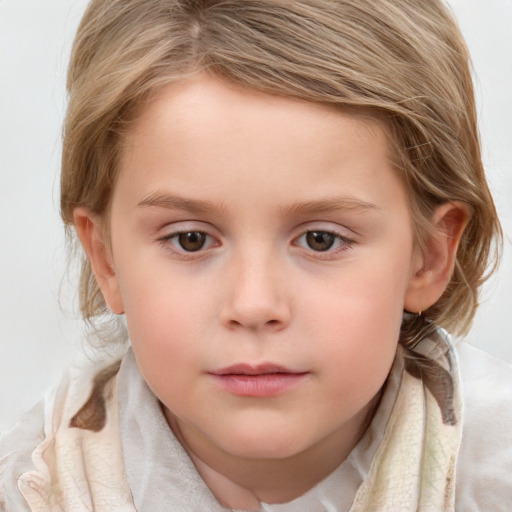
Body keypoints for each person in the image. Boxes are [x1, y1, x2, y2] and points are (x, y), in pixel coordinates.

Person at [1, 0, 511, 510]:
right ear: (106, 258)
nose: (253, 304)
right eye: (191, 239)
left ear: (429, 254)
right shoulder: (32, 488)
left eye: (321, 240)